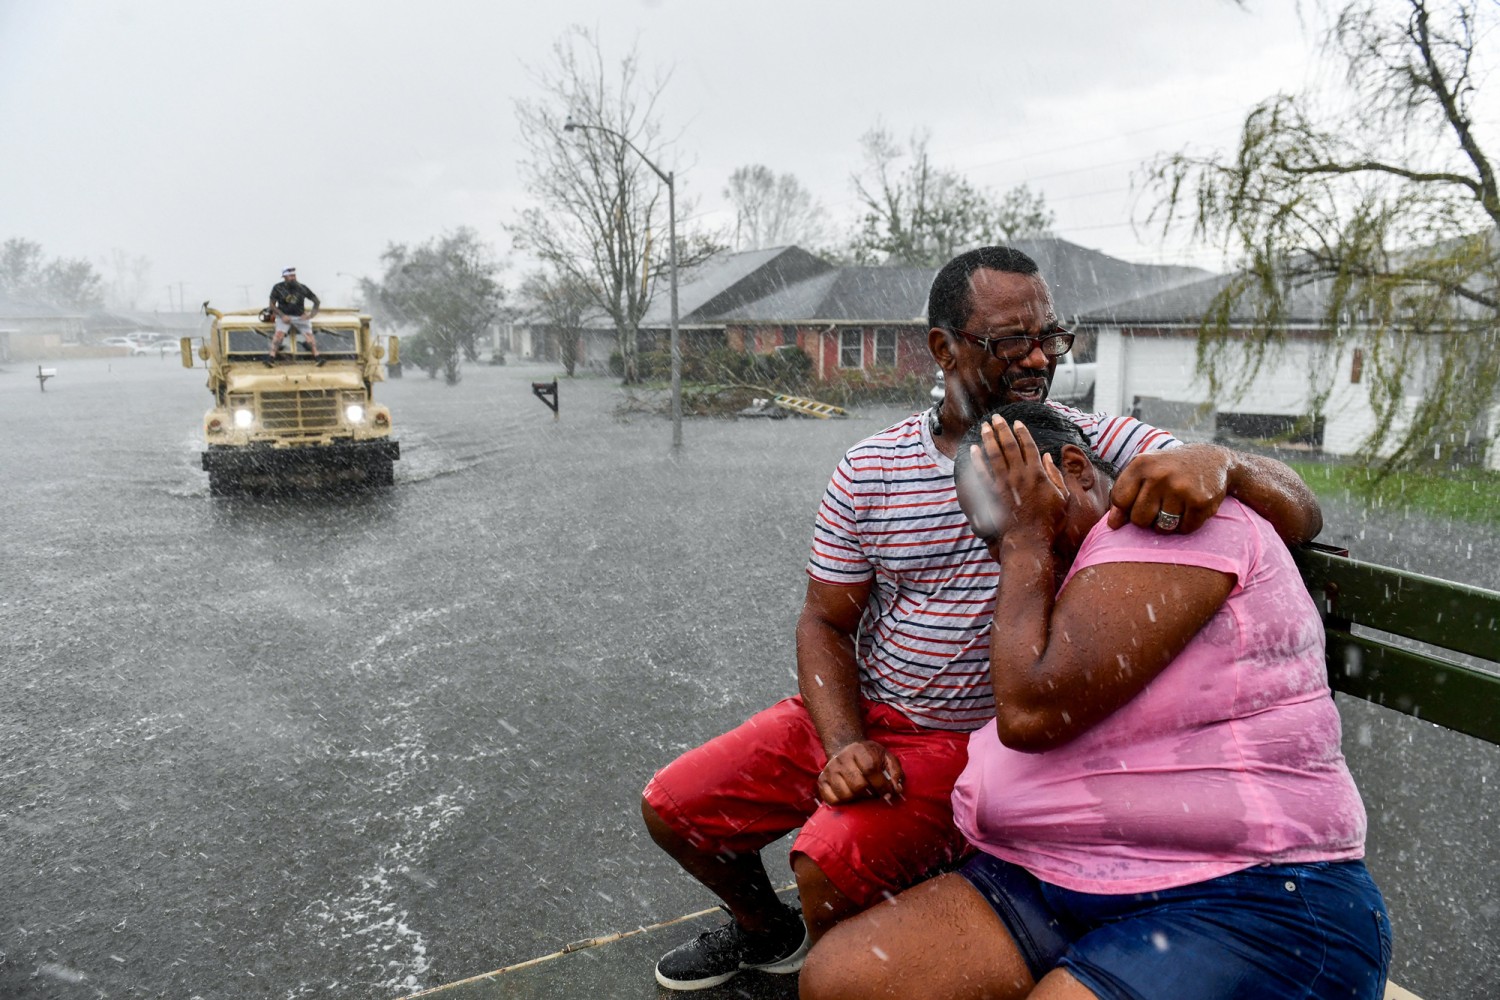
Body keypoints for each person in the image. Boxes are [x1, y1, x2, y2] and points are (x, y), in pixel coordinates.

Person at [640, 246, 1324, 992]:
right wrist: (843, 742)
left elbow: (1300, 509)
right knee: (676, 809)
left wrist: (1225, 463)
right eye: (1009, 341)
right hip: (861, 708)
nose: (1037, 358)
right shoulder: (870, 468)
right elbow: (824, 623)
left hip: (963, 741)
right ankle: (768, 933)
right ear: (943, 347)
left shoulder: (1086, 443)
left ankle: (849, 945)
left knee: (827, 860)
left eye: (1050, 338)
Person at [797, 402, 1389, 1000]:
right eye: (992, 537)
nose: (1010, 555)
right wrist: (1026, 536)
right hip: (1046, 875)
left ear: (1077, 469)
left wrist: (1028, 538)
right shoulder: (1067, 561)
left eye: (1028, 511)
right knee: (844, 980)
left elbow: (1032, 712)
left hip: (1246, 889)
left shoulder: (1166, 523)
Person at [266, 267, 324, 365]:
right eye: (290, 276)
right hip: (284, 317)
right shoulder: (278, 288)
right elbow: (272, 305)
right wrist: (282, 315)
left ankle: (317, 356)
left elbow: (316, 301)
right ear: (284, 277)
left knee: (309, 337)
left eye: (294, 276)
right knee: (278, 336)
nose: (292, 278)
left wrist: (310, 316)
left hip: (300, 317)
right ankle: (271, 357)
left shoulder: (302, 288)